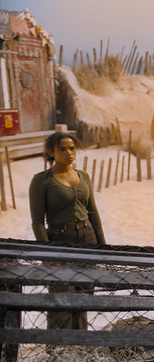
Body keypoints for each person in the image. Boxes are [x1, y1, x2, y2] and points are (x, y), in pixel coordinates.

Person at [29, 131, 106, 330]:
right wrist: (47, 253)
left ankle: (79, 345)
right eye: (62, 149)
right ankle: (57, 350)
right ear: (51, 152)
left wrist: (102, 246)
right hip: (59, 240)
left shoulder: (84, 176)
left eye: (72, 148)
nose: (69, 153)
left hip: (87, 238)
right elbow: (37, 222)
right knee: (60, 297)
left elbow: (93, 212)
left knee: (84, 295)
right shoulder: (42, 180)